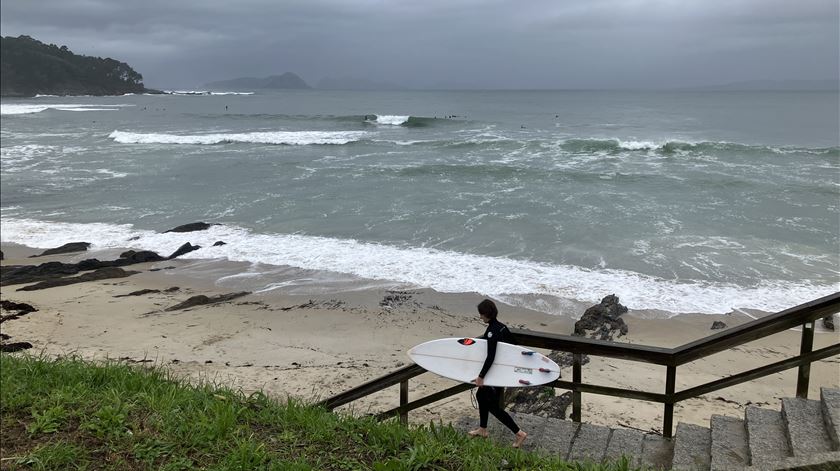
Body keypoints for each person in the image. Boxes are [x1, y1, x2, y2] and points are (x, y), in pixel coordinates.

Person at [468, 299, 528, 448]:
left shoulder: (491, 332)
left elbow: (491, 356)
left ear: (487, 314)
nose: (480, 317)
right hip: (501, 373)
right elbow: (514, 347)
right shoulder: (502, 327)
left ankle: (519, 433)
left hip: (493, 375)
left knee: (494, 407)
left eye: (481, 314)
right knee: (481, 396)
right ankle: (483, 429)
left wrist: (481, 376)